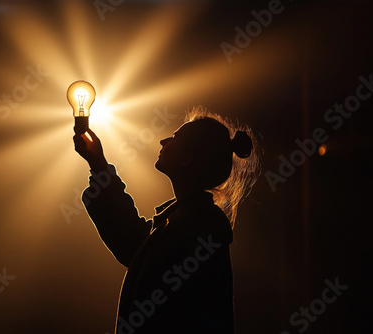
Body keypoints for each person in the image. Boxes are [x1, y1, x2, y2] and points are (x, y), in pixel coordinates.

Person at [73, 106, 261, 334]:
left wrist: (100, 167)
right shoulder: (188, 223)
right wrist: (98, 164)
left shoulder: (196, 228)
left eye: (174, 138)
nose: (163, 141)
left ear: (187, 158)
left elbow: (135, 247)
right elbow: (137, 244)